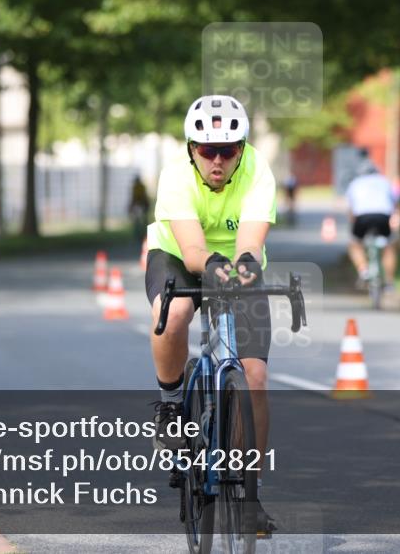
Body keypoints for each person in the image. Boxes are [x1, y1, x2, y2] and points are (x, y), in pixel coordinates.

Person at [144, 94, 277, 534]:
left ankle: (250, 494)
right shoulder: (175, 177)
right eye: (207, 150)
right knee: (176, 309)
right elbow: (193, 251)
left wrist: (243, 267)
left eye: (228, 150)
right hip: (182, 255)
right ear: (191, 148)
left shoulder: (258, 170)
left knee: (254, 377)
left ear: (241, 149)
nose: (217, 160)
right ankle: (169, 405)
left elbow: (250, 245)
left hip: (235, 263)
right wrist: (214, 265)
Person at [345, 159, 398, 288]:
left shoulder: (355, 183)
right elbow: (394, 204)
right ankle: (390, 281)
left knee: (355, 244)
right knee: (389, 246)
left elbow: (351, 209)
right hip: (383, 216)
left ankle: (364, 270)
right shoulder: (385, 182)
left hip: (362, 217)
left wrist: (353, 224)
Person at [128, 174, 150, 244]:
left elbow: (135, 197)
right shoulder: (139, 186)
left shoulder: (137, 187)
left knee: (139, 221)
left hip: (140, 205)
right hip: (140, 205)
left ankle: (140, 235)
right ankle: (142, 235)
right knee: (140, 221)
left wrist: (132, 205)